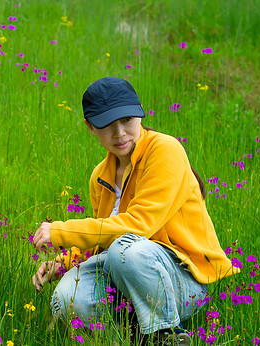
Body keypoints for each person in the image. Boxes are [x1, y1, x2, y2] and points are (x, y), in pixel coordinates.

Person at [31, 77, 237, 345]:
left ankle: (167, 334)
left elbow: (138, 226)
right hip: (124, 270)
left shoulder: (165, 150)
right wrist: (62, 263)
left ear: (140, 113)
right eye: (107, 124)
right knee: (66, 297)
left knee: (125, 248)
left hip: (182, 277)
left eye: (127, 119)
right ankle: (128, 334)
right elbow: (103, 240)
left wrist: (61, 231)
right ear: (91, 127)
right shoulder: (100, 176)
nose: (119, 133)